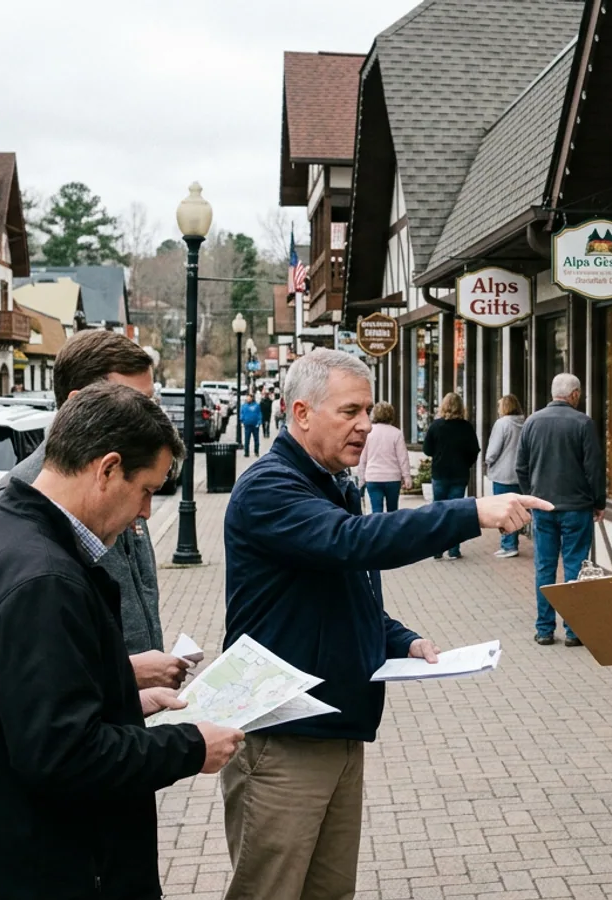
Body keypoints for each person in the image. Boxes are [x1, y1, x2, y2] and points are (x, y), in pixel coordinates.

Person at [221, 349, 550, 900]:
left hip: (337, 730)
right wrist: (471, 513)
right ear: (301, 413)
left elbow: (341, 586)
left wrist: (400, 639)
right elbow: (353, 543)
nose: (366, 425)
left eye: (368, 410)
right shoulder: (269, 488)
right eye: (350, 411)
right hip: (282, 741)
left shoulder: (331, 483)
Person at [0, 382, 245, 900]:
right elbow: (65, 756)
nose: (145, 513)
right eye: (146, 491)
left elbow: (13, 712)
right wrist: (190, 746)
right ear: (108, 469)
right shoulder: (45, 578)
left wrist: (123, 699)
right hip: (39, 871)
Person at [0, 329, 191, 691]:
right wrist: (125, 673)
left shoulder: (122, 482)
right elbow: (25, 670)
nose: (150, 417)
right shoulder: (17, 506)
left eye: (151, 403)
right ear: (80, 402)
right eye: (135, 402)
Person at [517, 373, 605, 647]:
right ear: (575, 394)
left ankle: (544, 629)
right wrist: (598, 502)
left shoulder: (532, 422)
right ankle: (573, 630)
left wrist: (531, 495)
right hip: (576, 507)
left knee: (544, 567)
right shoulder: (583, 423)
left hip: (543, 506)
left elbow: (521, 466)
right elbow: (594, 468)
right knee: (575, 567)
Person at [422, 391, 480, 560]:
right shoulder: (466, 427)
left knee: (438, 510)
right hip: (459, 475)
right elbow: (474, 451)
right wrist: (466, 463)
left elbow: (427, 449)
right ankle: (454, 549)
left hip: (440, 473)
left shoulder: (436, 426)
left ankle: (437, 549)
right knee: (456, 511)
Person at [484, 394, 527, 558]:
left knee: (503, 510)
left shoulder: (502, 424)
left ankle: (508, 545)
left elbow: (493, 451)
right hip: (521, 474)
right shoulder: (525, 422)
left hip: (503, 474)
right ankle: (512, 542)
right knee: (516, 509)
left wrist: (488, 461)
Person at [357, 401, 411, 513]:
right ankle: (391, 529)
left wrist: (361, 479)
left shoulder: (369, 433)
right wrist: (406, 477)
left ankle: (378, 530)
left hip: (373, 477)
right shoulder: (397, 433)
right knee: (393, 510)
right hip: (392, 477)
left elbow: (363, 458)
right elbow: (403, 458)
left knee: (376, 510)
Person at [239, 392, 263, 457]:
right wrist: (242, 420)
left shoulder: (256, 406)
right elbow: (241, 413)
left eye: (249, 398)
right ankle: (246, 452)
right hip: (247, 425)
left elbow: (259, 414)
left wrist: (259, 422)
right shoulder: (244, 406)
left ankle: (256, 451)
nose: (248, 399)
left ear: (252, 398)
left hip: (255, 425)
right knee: (247, 439)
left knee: (256, 439)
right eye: (247, 398)